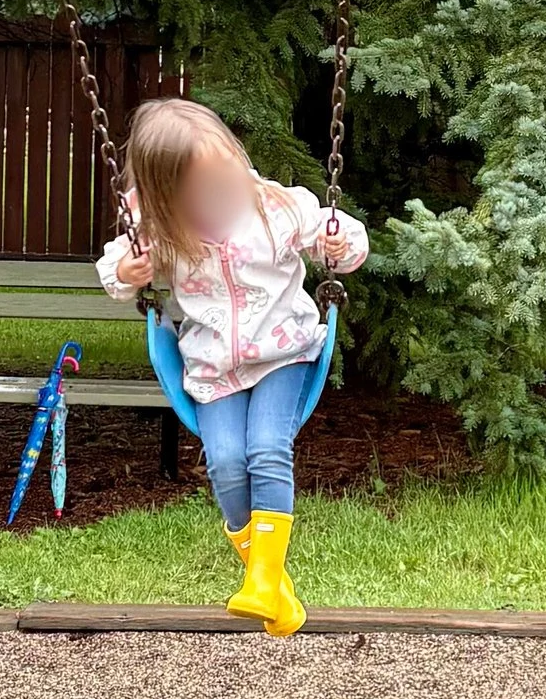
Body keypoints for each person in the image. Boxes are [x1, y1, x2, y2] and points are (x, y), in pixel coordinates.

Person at [98, 96, 367, 636]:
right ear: (168, 192)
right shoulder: (158, 227)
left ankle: (264, 579)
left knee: (266, 449)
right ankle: (268, 581)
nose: (224, 191)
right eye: (206, 188)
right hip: (213, 367)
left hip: (283, 353)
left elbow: (338, 242)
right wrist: (129, 270)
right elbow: (114, 272)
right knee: (224, 462)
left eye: (227, 173)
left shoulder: (275, 205)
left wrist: (341, 242)